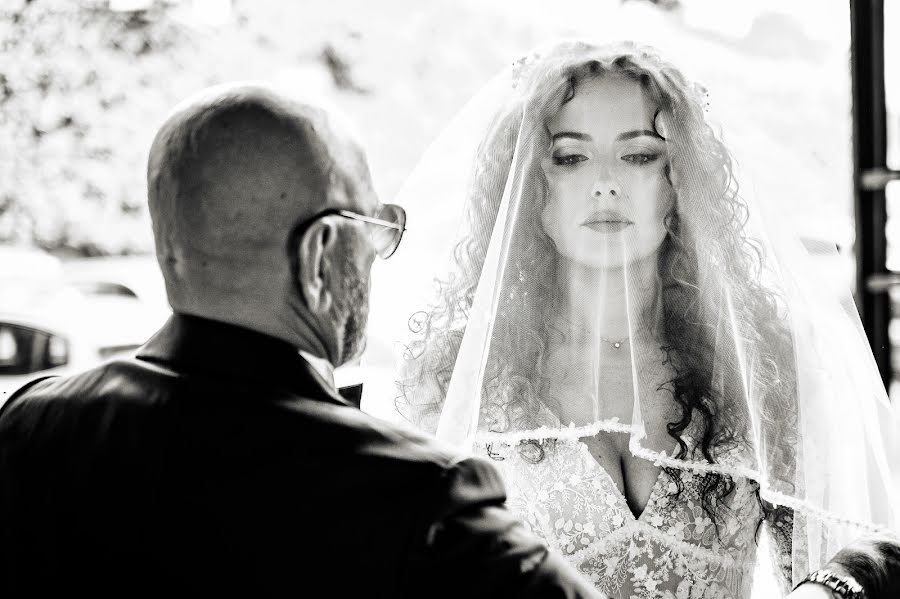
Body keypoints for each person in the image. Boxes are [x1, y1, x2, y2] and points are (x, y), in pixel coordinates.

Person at [0, 83, 604, 598]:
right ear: (319, 257)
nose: (375, 256)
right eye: (372, 227)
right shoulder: (419, 502)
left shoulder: (29, 424)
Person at [391, 40, 900, 598]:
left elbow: (839, 557)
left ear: (680, 184)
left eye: (638, 155)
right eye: (569, 157)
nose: (605, 183)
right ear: (530, 190)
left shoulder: (765, 369)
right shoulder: (451, 381)